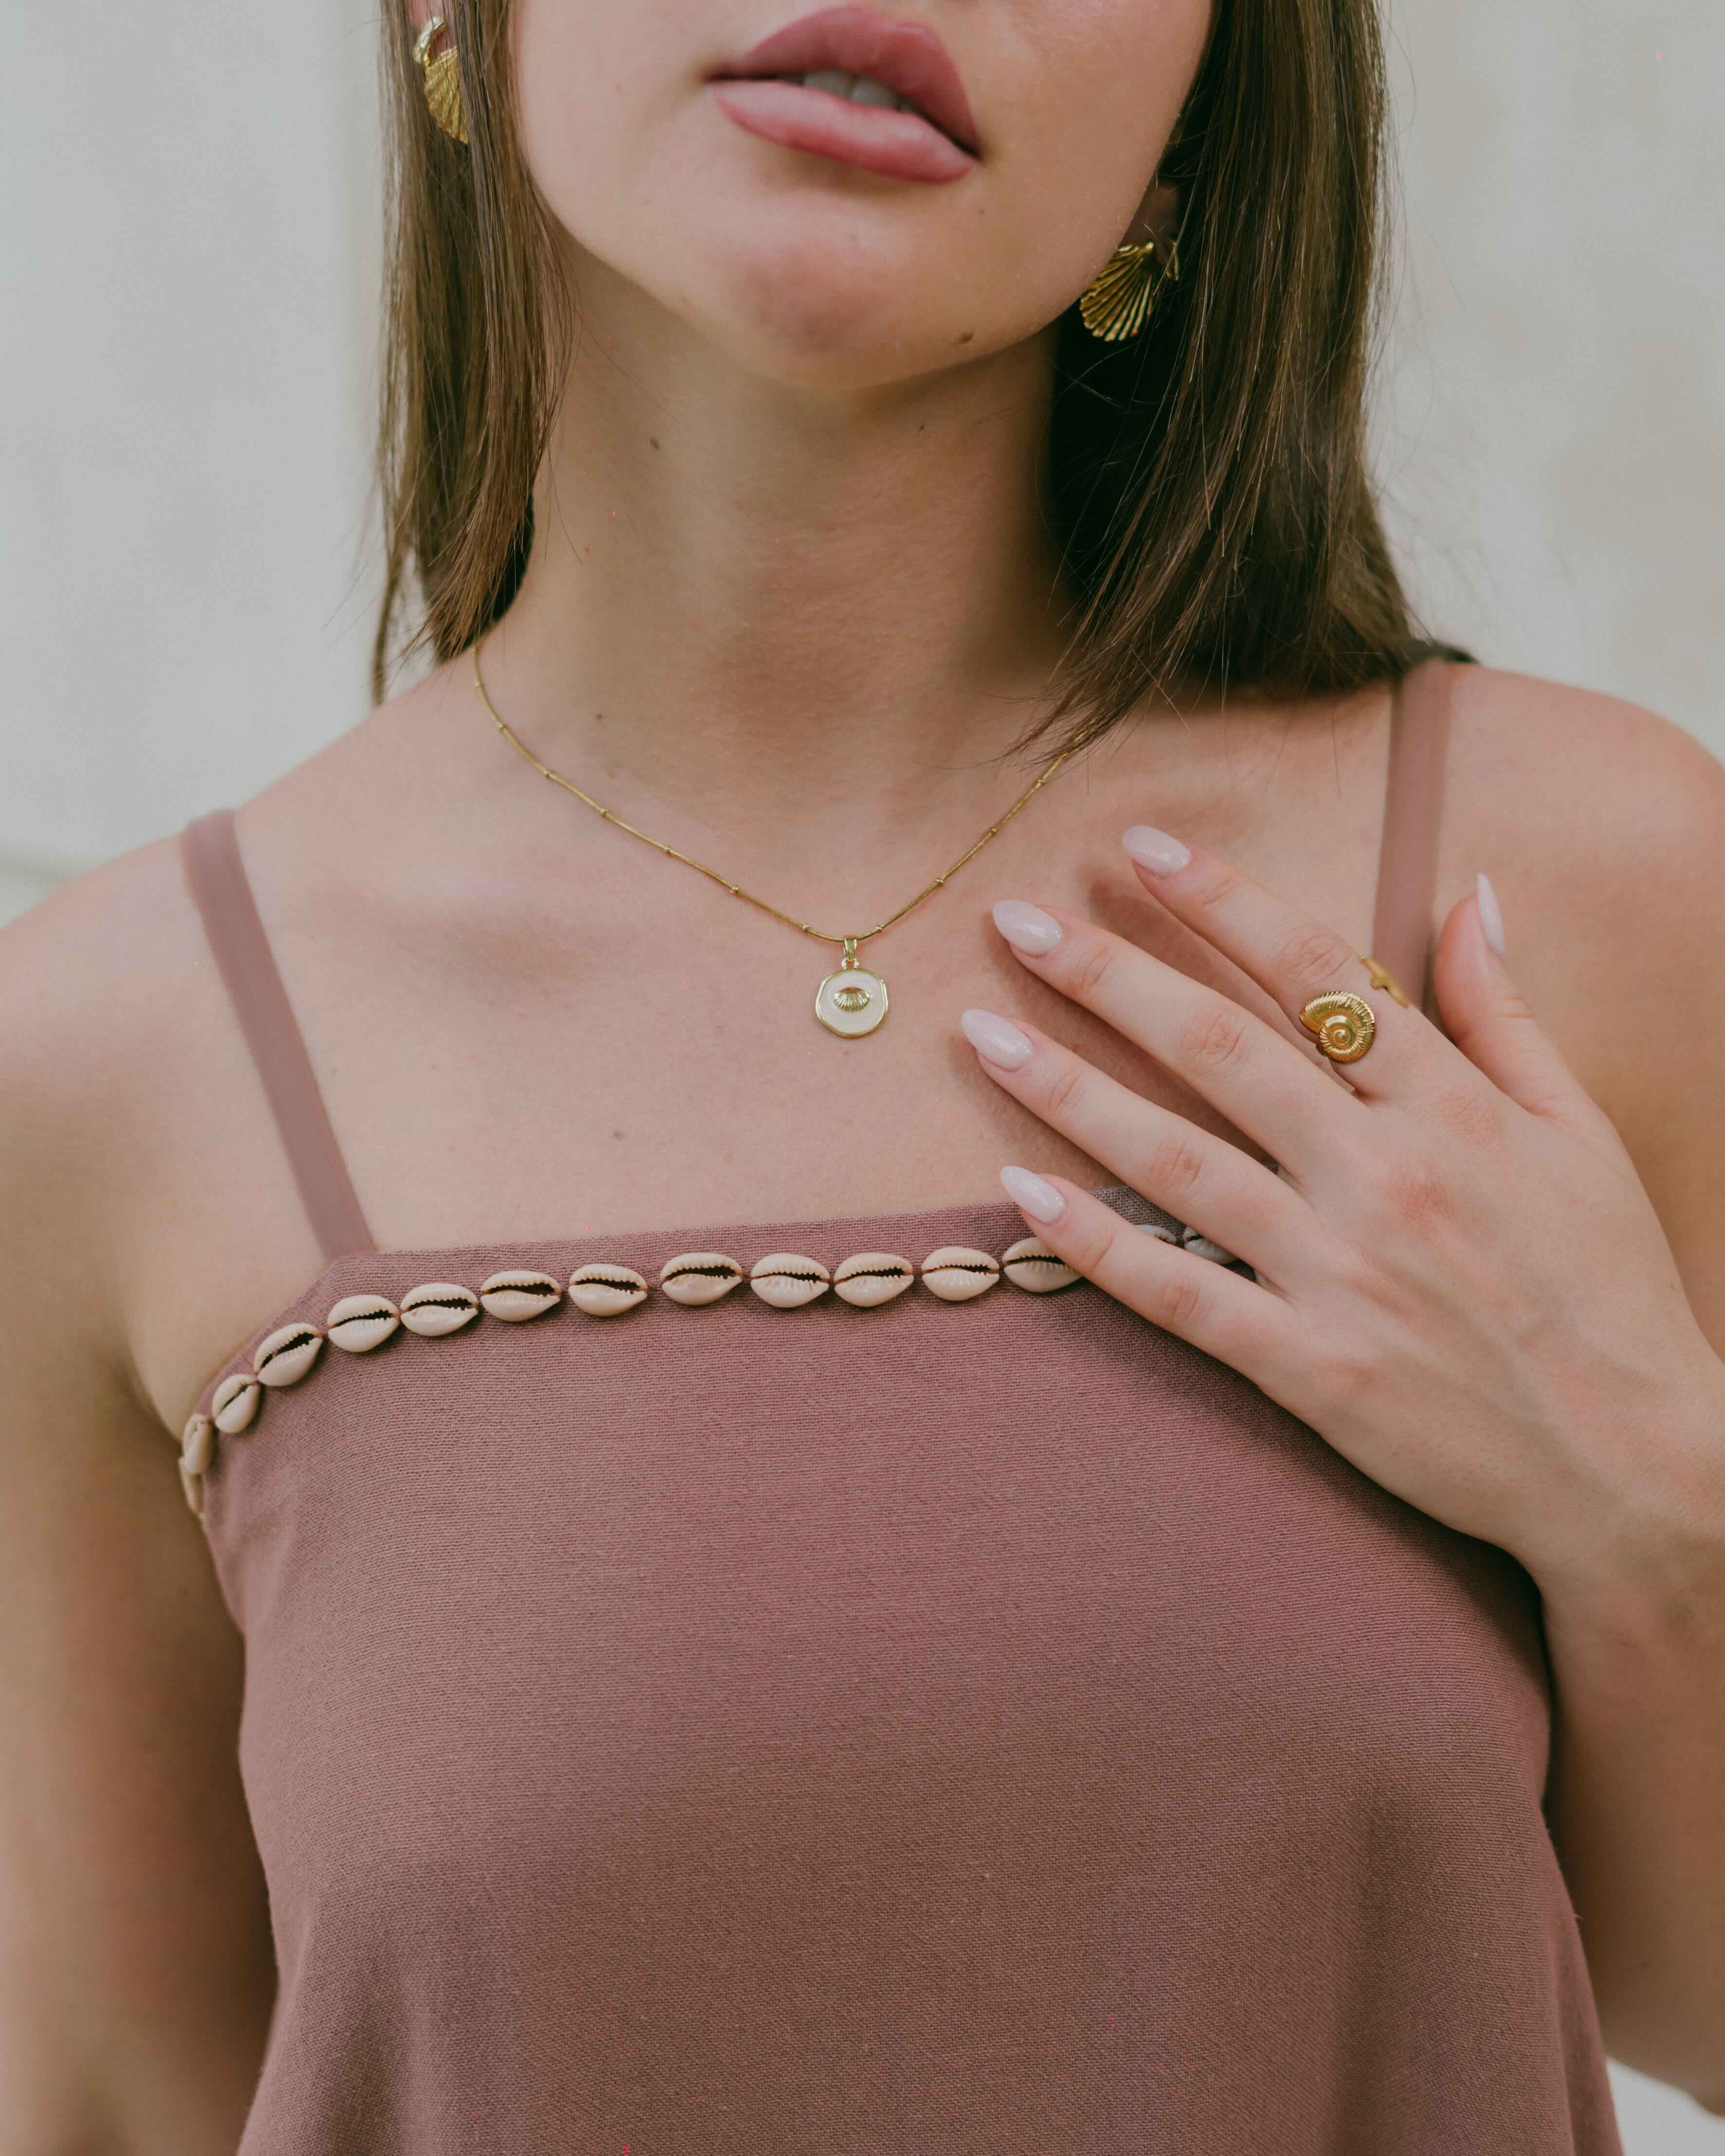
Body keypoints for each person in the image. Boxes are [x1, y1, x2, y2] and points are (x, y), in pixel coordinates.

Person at [1, 1, 1719, 2148]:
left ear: (1200, 123)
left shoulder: (1574, 904)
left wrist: (1656, 1509)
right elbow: (118, 2100)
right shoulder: (109, 1065)